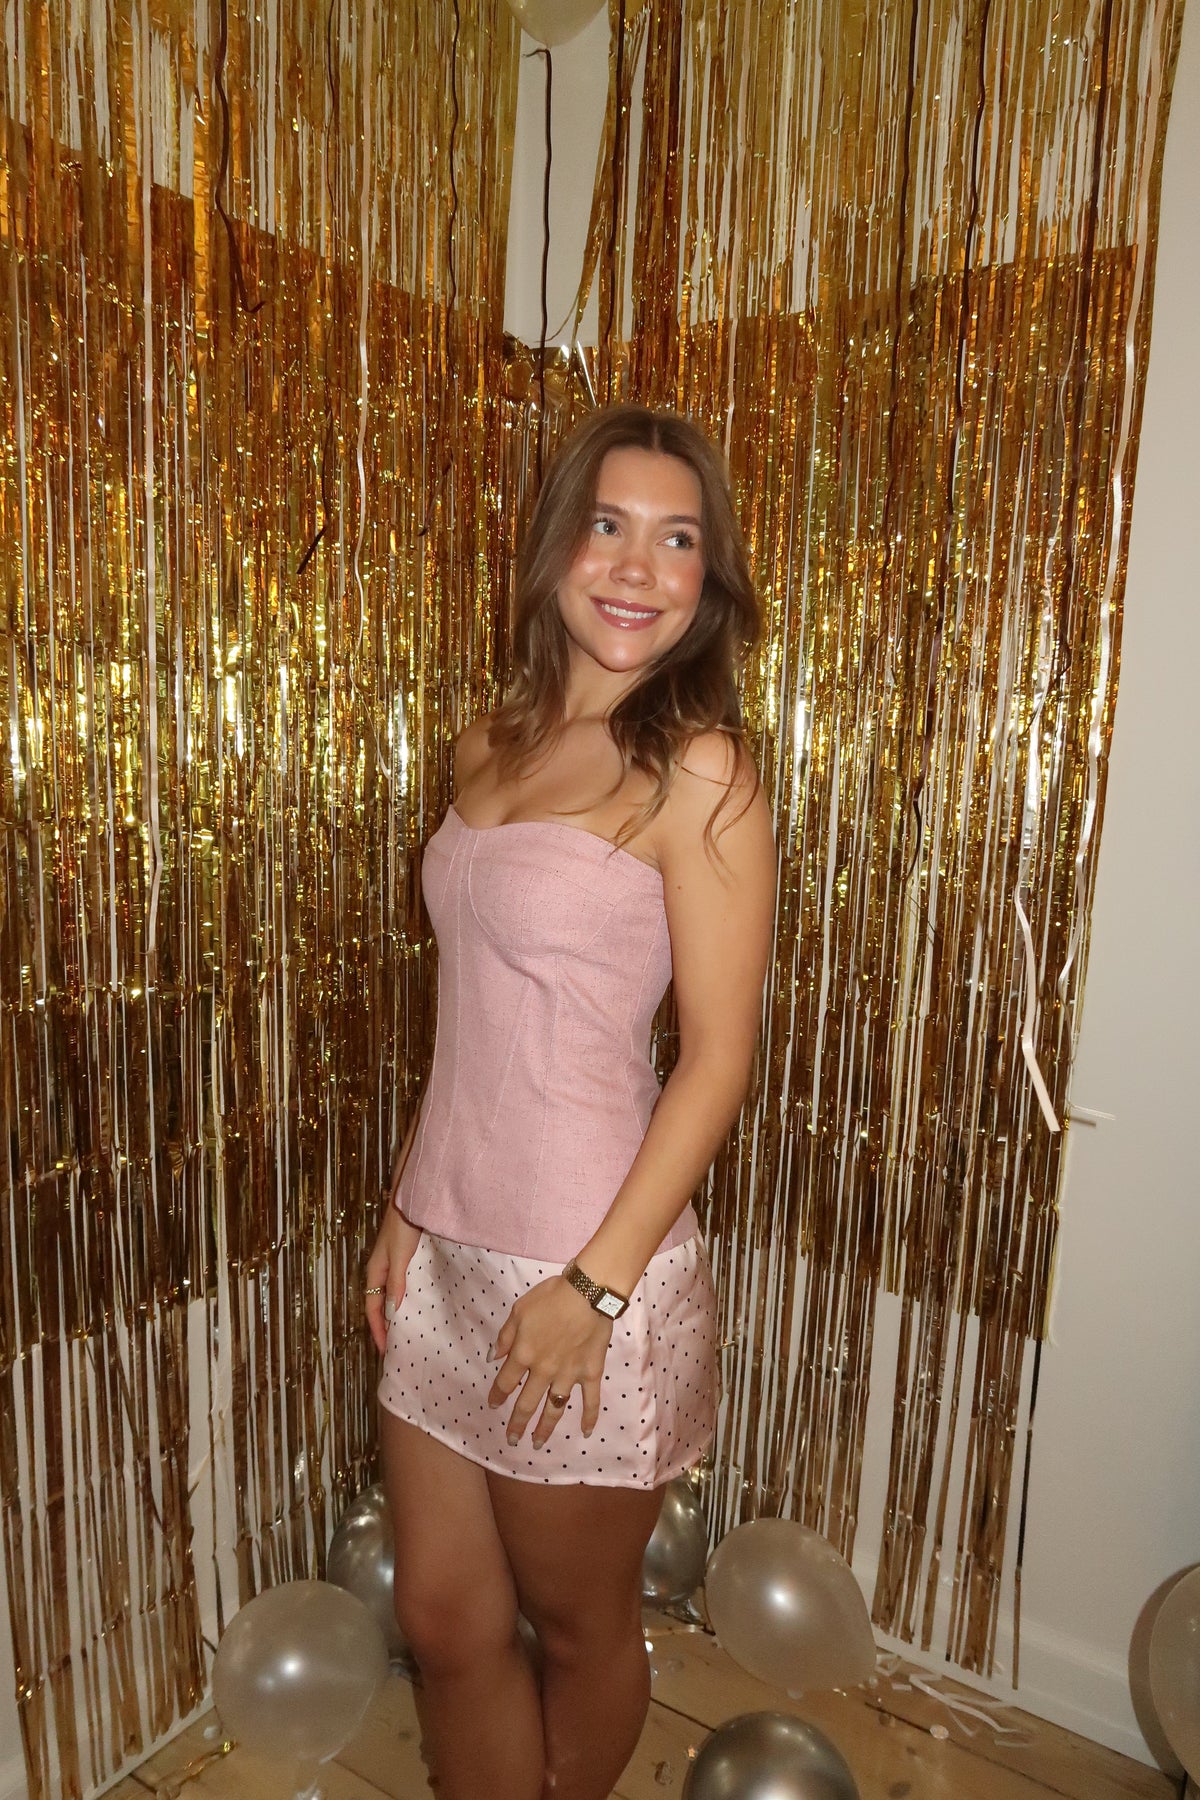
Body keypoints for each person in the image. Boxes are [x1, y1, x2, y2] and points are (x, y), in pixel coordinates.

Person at [363, 403, 776, 1800]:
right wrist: (408, 1203)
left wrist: (593, 1289)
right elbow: (469, 1011)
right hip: (448, 1247)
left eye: (679, 539)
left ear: (709, 577)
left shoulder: (700, 768)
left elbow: (716, 1059)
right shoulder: (487, 741)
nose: (638, 566)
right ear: (559, 549)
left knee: (581, 1624)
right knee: (443, 1619)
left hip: (586, 1269)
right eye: (609, 524)